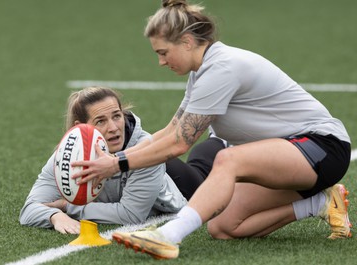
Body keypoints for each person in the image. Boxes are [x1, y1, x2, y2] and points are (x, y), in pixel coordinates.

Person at [71, 0, 352, 259]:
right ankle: (320, 202)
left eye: (163, 53)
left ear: (187, 41)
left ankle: (168, 236)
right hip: (292, 156)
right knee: (223, 226)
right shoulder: (202, 72)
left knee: (228, 159)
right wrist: (111, 160)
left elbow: (179, 144)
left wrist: (116, 164)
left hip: (322, 147)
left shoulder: (222, 68)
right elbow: (172, 130)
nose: (161, 62)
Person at [19, 86, 225, 234]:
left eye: (117, 116)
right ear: (80, 127)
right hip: (156, 174)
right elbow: (29, 208)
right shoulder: (64, 157)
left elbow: (130, 215)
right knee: (199, 164)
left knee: (204, 171)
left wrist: (67, 207)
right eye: (101, 121)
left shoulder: (145, 148)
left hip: (178, 185)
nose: (113, 127)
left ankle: (221, 138)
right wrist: (53, 216)